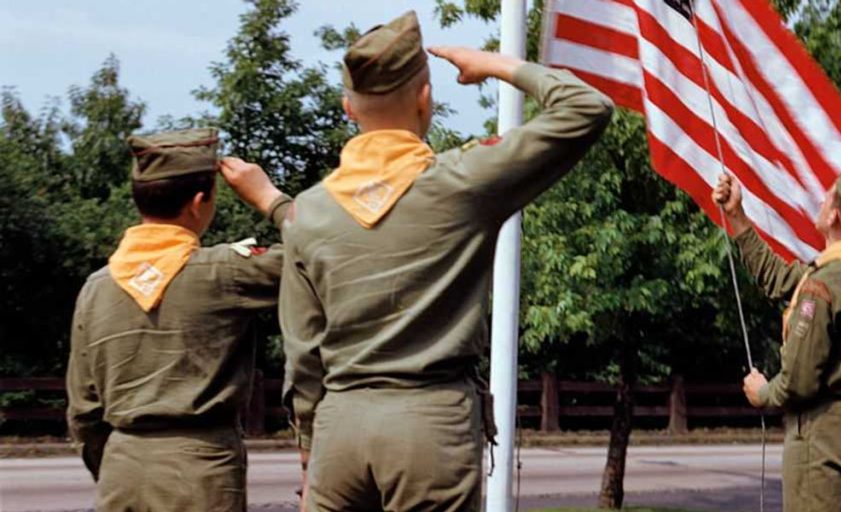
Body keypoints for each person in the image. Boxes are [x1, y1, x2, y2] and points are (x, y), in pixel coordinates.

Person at [279, 10, 614, 512]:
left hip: (339, 425)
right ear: (425, 96)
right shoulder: (461, 183)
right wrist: (499, 64)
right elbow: (587, 107)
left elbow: (303, 352)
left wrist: (311, 452)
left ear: (349, 108)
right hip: (430, 422)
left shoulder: (308, 213)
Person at [65, 127, 291, 512]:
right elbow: (325, 254)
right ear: (200, 201)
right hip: (200, 467)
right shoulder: (225, 272)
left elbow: (84, 411)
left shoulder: (96, 287)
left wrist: (117, 465)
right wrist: (272, 200)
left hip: (122, 468)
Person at [712, 163, 841, 511]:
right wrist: (737, 217)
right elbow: (781, 278)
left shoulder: (824, 285)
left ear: (836, 218)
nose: (821, 200)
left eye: (827, 196)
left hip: (821, 436)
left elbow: (798, 379)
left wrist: (763, 393)